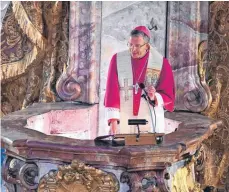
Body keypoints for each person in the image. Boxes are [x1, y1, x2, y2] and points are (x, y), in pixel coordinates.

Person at [104, 26, 175, 135]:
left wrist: (154, 96)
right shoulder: (117, 60)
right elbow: (111, 92)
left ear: (146, 46)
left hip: (150, 118)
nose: (133, 49)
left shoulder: (161, 63)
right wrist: (113, 121)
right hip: (123, 117)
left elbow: (168, 94)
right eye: (131, 45)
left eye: (137, 46)